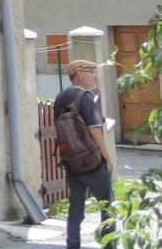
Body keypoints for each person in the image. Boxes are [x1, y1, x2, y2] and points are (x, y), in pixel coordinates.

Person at [53, 58, 114, 249]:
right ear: (79, 74)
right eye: (91, 72)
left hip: (71, 160)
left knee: (76, 205)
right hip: (91, 161)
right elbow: (95, 131)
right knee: (107, 205)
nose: (95, 76)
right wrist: (106, 157)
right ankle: (109, 244)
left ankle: (73, 245)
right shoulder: (84, 97)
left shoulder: (61, 97)